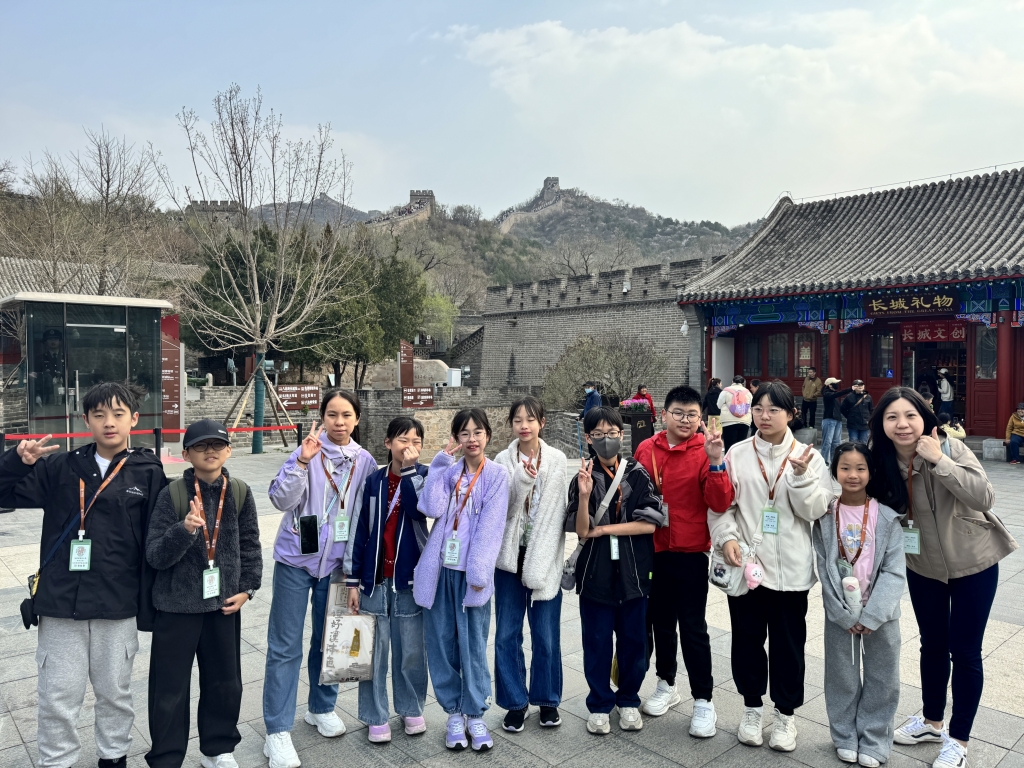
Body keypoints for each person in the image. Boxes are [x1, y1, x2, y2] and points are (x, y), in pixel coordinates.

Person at [0, 382, 168, 768]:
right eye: (99, 415)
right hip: (61, 601)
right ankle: (57, 760)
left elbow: (158, 539)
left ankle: (113, 757)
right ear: (85, 420)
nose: (109, 422)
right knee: (57, 694)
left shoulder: (147, 471)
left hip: (117, 602)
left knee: (115, 693)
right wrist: (16, 462)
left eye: (118, 414)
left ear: (134, 419)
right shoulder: (59, 467)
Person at [868, 387, 1017, 768]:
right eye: (892, 417)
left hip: (974, 562)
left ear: (925, 418)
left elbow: (984, 498)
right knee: (932, 645)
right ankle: (932, 722)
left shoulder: (951, 447)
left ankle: (959, 740)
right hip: (923, 565)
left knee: (965, 651)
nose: (902, 424)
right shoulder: (880, 460)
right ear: (881, 424)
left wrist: (939, 461)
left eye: (910, 415)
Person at [707, 381, 827, 753]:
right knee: (747, 640)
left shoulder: (809, 457)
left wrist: (801, 477)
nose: (765, 416)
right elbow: (721, 507)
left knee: (789, 645)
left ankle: (786, 716)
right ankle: (751, 708)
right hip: (747, 567)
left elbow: (816, 510)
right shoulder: (738, 453)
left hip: (791, 569)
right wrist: (726, 538)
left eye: (774, 409)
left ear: (791, 414)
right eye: (758, 408)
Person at [263, 390, 378, 768]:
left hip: (339, 566)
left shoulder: (365, 461)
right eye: (332, 414)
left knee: (335, 641)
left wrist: (358, 573)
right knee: (285, 646)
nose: (339, 422)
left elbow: (367, 518)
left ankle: (321, 707)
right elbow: (280, 500)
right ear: (322, 417)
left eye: (346, 415)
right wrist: (301, 461)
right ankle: (277, 730)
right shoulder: (306, 451)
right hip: (296, 561)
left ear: (357, 419)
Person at [145, 420, 262, 768]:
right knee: (169, 690)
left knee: (225, 683)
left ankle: (218, 748)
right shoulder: (172, 494)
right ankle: (166, 757)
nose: (210, 451)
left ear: (229, 450)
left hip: (223, 605)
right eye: (200, 445)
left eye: (217, 444)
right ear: (186, 454)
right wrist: (184, 529)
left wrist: (247, 589)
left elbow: (250, 545)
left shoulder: (239, 491)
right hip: (176, 607)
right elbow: (155, 555)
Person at [634, 386, 733, 737]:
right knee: (660, 623)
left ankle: (704, 700)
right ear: (664, 414)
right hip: (653, 550)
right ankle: (666, 683)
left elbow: (719, 502)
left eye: (692, 414)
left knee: (693, 627)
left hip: (690, 551)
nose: (685, 420)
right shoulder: (647, 448)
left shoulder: (705, 450)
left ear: (700, 418)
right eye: (678, 413)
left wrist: (717, 461)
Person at [414, 409, 509, 752]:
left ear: (487, 436)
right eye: (464, 433)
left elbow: (492, 526)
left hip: (472, 575)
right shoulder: (449, 472)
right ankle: (453, 711)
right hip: (440, 571)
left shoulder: (496, 475)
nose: (472, 439)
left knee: (472, 644)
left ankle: (475, 712)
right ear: (456, 438)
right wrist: (439, 466)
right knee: (441, 643)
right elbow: (431, 507)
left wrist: (480, 571)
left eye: (478, 432)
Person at [567, 406, 665, 735]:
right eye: (598, 434)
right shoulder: (583, 476)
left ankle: (628, 699)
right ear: (588, 438)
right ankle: (599, 703)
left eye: (611, 433)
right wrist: (584, 497)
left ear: (622, 435)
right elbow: (582, 530)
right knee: (596, 642)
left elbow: (650, 524)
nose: (606, 439)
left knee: (633, 641)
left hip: (634, 571)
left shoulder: (637, 473)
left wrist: (606, 530)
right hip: (595, 572)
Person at [811, 443, 906, 768]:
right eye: (845, 468)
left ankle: (875, 740)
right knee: (841, 676)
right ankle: (844, 736)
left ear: (871, 472)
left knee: (883, 678)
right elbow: (824, 567)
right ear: (834, 471)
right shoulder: (825, 517)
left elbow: (894, 571)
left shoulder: (888, 517)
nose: (853, 475)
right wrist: (842, 613)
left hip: (882, 615)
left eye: (860, 468)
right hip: (840, 614)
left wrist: (873, 614)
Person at [345, 417, 429, 743]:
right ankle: (375, 714)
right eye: (403, 440)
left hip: (409, 580)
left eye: (416, 442)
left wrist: (408, 472)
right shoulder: (374, 481)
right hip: (375, 579)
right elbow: (359, 529)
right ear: (388, 443)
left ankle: (411, 707)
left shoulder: (424, 477)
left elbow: (419, 510)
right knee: (373, 653)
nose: (409, 447)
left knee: (411, 651)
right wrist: (353, 580)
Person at [493, 396, 569, 732]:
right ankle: (515, 702)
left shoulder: (557, 460)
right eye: (517, 420)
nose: (524, 426)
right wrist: (521, 481)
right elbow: (503, 510)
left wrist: (552, 558)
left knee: (546, 635)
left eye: (530, 419)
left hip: (543, 557)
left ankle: (548, 699)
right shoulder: (501, 461)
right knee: (507, 635)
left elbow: (557, 516)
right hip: (509, 559)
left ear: (542, 423)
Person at [821, 378, 853, 467]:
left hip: (837, 420)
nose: (837, 385)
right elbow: (838, 394)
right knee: (827, 442)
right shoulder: (827, 394)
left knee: (836, 443)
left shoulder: (834, 396)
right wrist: (850, 389)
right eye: (835, 383)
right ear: (829, 385)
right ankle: (823, 461)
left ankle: (834, 461)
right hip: (829, 420)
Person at [717, 375, 752, 454]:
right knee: (741, 446)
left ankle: (729, 461)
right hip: (744, 421)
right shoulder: (748, 393)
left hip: (728, 421)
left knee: (729, 446)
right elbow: (751, 405)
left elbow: (719, 405)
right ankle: (739, 461)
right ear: (743, 383)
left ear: (732, 382)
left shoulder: (725, 391)